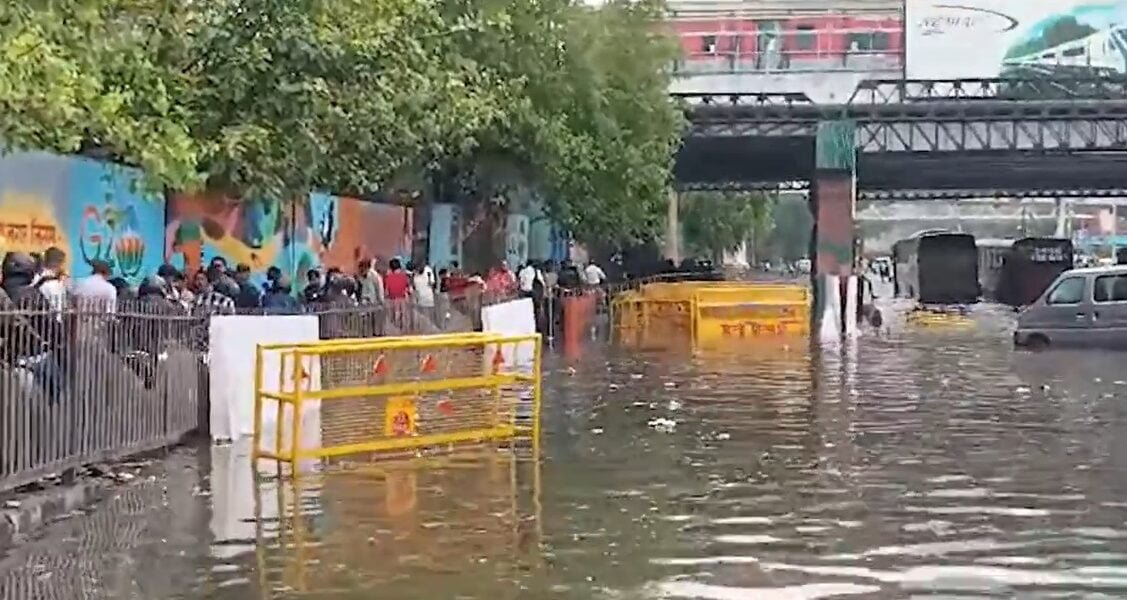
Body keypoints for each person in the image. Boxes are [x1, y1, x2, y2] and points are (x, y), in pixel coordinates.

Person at [35, 246, 68, 313]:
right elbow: (59, 307)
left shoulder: (37, 277)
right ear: (58, 263)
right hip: (53, 319)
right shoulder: (54, 283)